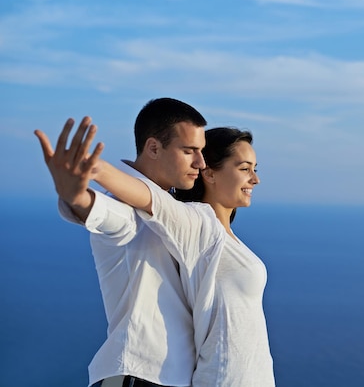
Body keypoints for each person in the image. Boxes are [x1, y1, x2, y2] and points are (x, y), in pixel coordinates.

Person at [34, 98, 208, 387]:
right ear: (153, 147)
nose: (200, 163)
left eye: (200, 152)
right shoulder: (128, 210)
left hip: (171, 379)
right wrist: (77, 197)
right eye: (189, 151)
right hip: (136, 376)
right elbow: (107, 214)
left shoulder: (178, 213)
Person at [89, 126, 275, 387]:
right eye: (244, 169)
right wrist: (93, 167)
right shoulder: (198, 224)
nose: (255, 179)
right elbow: (149, 197)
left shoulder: (225, 237)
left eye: (255, 169)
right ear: (209, 173)